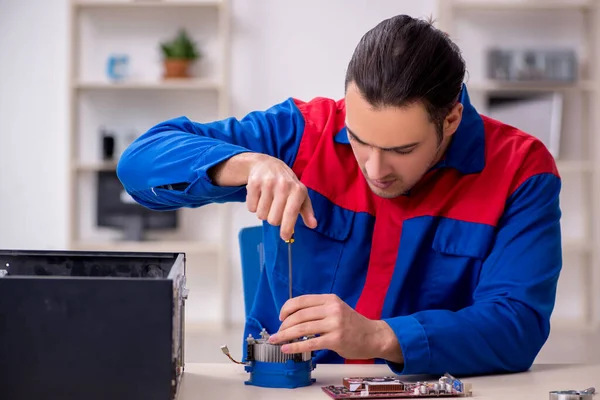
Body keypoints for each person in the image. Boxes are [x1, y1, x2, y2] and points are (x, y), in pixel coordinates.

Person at [116, 14, 562, 376]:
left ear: (450, 120)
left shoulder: (521, 170)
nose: (374, 168)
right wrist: (249, 164)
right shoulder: (302, 132)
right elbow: (138, 163)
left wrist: (379, 337)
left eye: (402, 150)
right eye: (358, 138)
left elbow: (517, 324)